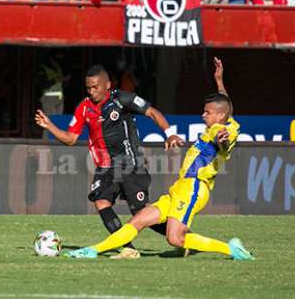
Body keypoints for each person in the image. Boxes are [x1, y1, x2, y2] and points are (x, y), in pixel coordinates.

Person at [65, 57, 253, 260]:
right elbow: (225, 104)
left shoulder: (221, 130)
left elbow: (221, 140)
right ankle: (92, 251)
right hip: (180, 187)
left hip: (195, 188)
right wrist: (219, 81)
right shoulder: (228, 120)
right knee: (138, 220)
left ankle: (231, 249)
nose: (202, 115)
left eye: (207, 112)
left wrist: (221, 140)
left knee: (174, 238)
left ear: (220, 116)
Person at [35, 64, 185, 259]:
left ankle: (184, 238)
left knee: (141, 213)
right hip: (105, 167)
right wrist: (50, 126)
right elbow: (71, 139)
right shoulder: (84, 108)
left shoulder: (122, 99)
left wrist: (170, 134)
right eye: (88, 87)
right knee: (101, 202)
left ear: (107, 84)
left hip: (130, 164)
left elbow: (152, 112)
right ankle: (128, 248)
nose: (91, 91)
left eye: (95, 87)